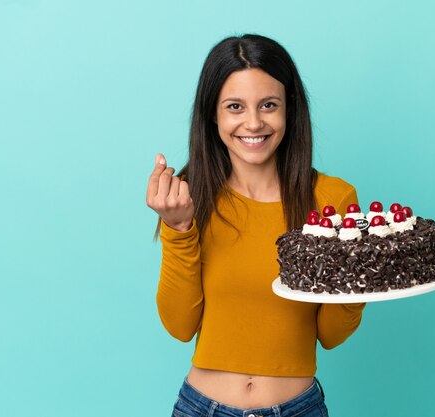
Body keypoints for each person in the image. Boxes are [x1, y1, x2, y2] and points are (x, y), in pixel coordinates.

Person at [146, 33, 366, 417]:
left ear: (289, 109)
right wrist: (178, 230)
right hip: (203, 408)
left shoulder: (333, 200)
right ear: (212, 113)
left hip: (298, 408)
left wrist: (355, 273)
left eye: (268, 105)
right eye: (234, 106)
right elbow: (180, 326)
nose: (253, 123)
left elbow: (332, 335)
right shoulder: (187, 195)